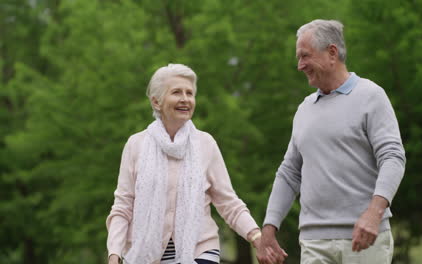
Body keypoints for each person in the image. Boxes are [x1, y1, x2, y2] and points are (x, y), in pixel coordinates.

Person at [256, 19, 406, 264]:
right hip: (313, 242)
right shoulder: (304, 109)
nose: (300, 65)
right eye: (298, 58)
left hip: (365, 239)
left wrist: (374, 213)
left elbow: (392, 157)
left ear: (332, 53)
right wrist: (269, 227)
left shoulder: (371, 96)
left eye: (305, 56)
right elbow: (289, 173)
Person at [106, 64, 263, 264]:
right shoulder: (135, 145)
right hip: (144, 256)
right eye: (176, 92)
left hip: (199, 250)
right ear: (156, 101)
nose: (185, 99)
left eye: (190, 93)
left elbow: (228, 202)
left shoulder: (205, 144)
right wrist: (114, 254)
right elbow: (123, 207)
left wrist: (256, 236)